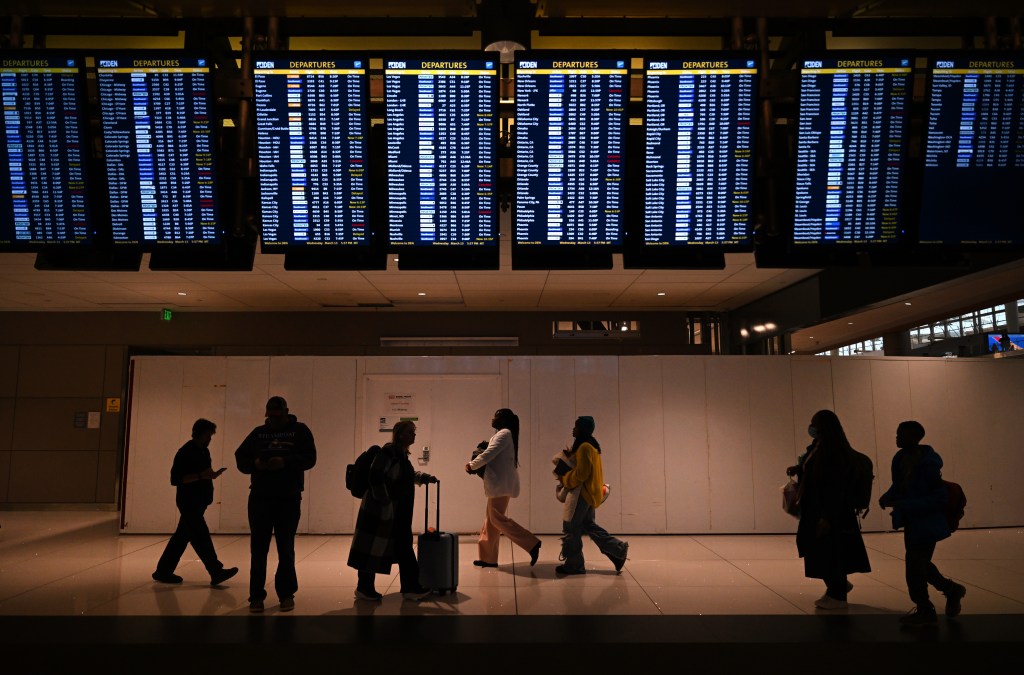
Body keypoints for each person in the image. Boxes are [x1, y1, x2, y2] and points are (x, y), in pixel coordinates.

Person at [879, 421, 967, 626]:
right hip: (912, 521)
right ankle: (951, 590)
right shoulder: (900, 458)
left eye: (901, 434)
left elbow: (939, 497)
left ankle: (925, 609)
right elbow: (900, 485)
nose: (896, 437)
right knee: (920, 565)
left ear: (914, 438)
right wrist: (889, 496)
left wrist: (905, 504)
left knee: (914, 567)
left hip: (926, 524)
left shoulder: (928, 465)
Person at [235, 396, 317, 613]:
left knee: (285, 548)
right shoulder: (258, 433)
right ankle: (256, 597)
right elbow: (241, 458)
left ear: (286, 412)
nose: (274, 420)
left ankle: (286, 594)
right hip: (261, 497)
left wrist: (285, 462)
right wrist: (256, 464)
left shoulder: (300, 431)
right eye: (271, 417)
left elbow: (310, 458)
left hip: (288, 498)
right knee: (259, 550)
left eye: (277, 416)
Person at [788, 410, 871, 609]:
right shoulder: (819, 447)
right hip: (815, 509)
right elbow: (814, 470)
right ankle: (836, 587)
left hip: (828, 512)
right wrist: (798, 470)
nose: (811, 427)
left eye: (814, 423)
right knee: (819, 549)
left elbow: (835, 487)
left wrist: (827, 517)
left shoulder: (834, 453)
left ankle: (838, 592)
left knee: (829, 551)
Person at [347, 420, 437, 601]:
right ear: (400, 434)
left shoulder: (400, 454)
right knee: (383, 546)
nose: (414, 435)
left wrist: (422, 477)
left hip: (394, 510)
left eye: (414, 432)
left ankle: (368, 587)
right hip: (382, 510)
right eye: (411, 432)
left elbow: (401, 476)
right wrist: (385, 502)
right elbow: (376, 476)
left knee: (380, 546)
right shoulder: (389, 452)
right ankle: (408, 587)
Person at [152, 418, 238, 586]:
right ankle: (215, 570)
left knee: (182, 537)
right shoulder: (186, 452)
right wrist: (202, 476)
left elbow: (202, 473)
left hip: (198, 501)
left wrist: (210, 476)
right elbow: (176, 479)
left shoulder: (203, 451)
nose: (210, 439)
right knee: (201, 537)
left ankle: (163, 570)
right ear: (201, 434)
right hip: (189, 502)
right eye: (208, 435)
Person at [464, 408, 541, 568]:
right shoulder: (504, 434)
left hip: (500, 485)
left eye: (496, 416)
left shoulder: (504, 433)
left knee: (496, 519)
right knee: (490, 521)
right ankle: (488, 558)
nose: (492, 419)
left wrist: (472, 465)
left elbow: (489, 454)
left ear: (503, 420)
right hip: (499, 484)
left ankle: (531, 542)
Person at [555, 416, 628, 575]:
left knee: (571, 527)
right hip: (590, 494)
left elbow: (581, 474)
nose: (573, 429)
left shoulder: (585, 447)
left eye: (575, 427)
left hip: (582, 495)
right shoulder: (592, 446)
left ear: (581, 429)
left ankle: (574, 565)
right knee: (588, 525)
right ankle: (618, 550)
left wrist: (565, 478)